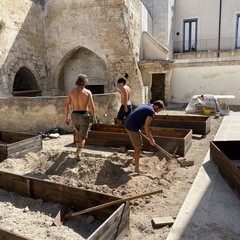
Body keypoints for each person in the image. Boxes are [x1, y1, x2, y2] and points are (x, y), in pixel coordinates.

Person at [124, 100, 164, 173]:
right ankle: (137, 168)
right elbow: (146, 127)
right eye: (159, 110)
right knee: (138, 147)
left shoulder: (147, 105)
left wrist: (137, 127)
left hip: (129, 123)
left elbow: (138, 115)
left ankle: (135, 159)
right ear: (157, 106)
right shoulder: (151, 111)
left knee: (137, 145)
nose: (158, 112)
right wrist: (151, 139)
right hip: (131, 127)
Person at [64, 74, 95, 160]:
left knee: (77, 133)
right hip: (83, 115)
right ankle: (79, 153)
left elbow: (66, 105)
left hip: (74, 115)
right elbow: (92, 107)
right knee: (83, 136)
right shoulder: (88, 92)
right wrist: (93, 117)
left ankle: (78, 150)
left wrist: (66, 118)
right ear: (85, 82)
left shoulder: (72, 92)